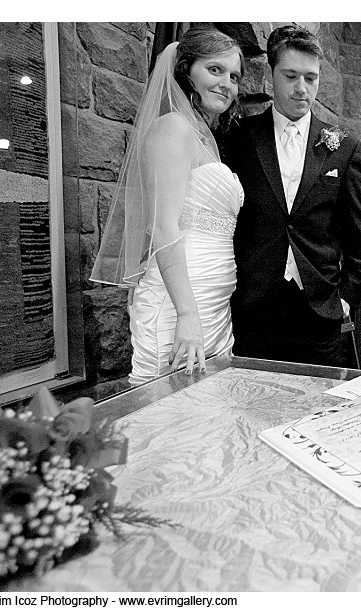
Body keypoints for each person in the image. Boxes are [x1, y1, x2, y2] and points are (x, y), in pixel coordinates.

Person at [91, 28, 244, 385]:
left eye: (234, 76)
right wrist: (187, 314)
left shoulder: (205, 138)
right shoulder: (172, 128)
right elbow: (162, 226)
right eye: (215, 70)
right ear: (186, 70)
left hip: (213, 300)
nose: (227, 84)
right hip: (179, 304)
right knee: (167, 410)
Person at [220, 25, 361, 367]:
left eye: (311, 78)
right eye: (290, 76)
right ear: (272, 74)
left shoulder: (343, 146)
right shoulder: (239, 137)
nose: (302, 89)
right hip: (252, 307)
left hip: (319, 312)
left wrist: (346, 300)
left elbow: (358, 238)